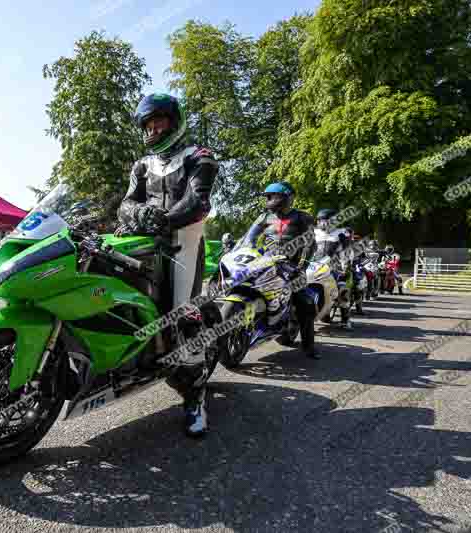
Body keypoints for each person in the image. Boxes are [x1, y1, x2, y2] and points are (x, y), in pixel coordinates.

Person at [116, 92, 219, 438]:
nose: (152, 129)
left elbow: (197, 201)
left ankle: (195, 399)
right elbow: (126, 204)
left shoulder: (199, 156)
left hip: (182, 246)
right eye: (147, 124)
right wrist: (136, 213)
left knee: (181, 318)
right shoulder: (142, 164)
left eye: (158, 121)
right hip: (143, 246)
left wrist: (161, 221)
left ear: (175, 122)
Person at [244, 181, 320, 359]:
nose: (268, 200)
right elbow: (249, 238)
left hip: (291, 266)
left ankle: (309, 347)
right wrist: (243, 250)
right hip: (266, 262)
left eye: (272, 196)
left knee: (305, 303)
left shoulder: (302, 217)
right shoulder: (264, 217)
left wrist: (303, 265)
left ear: (287, 198)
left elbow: (311, 244)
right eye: (267, 197)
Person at [314, 208, 354, 328]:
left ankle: (345, 319)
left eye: (325, 220)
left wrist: (345, 266)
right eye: (320, 220)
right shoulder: (313, 233)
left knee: (342, 289)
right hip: (314, 266)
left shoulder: (341, 233)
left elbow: (346, 251)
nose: (322, 223)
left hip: (334, 268)